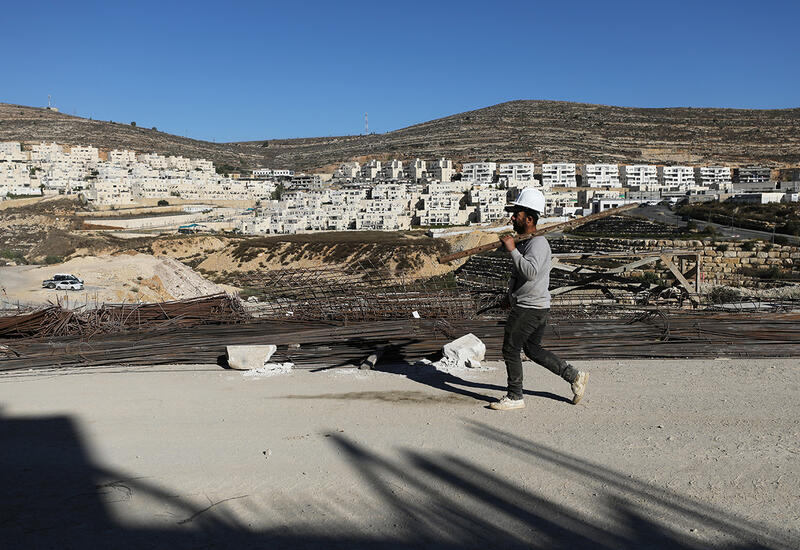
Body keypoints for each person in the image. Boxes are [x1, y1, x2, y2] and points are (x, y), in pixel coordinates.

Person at [490, 188, 588, 411]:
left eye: (517, 214)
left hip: (530, 308)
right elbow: (520, 277)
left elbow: (531, 272)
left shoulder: (537, 243)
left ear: (530, 218)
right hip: (532, 305)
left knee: (510, 348)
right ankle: (574, 376)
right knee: (532, 350)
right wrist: (510, 296)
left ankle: (515, 396)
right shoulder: (526, 242)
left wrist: (513, 251)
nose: (513, 218)